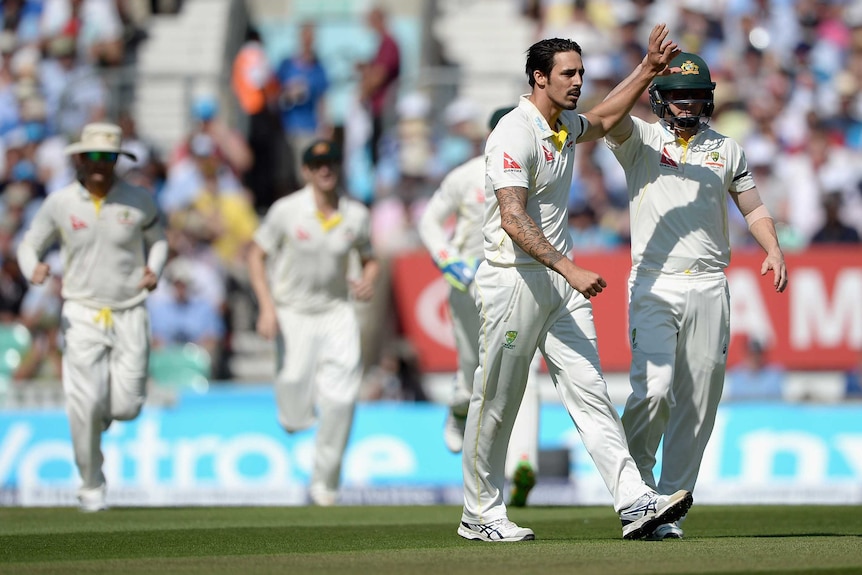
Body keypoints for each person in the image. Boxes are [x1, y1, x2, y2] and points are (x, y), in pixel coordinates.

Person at [458, 24, 693, 543]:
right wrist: (570, 268)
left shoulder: (562, 123)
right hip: (514, 281)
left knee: (591, 392)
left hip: (560, 285)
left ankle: (635, 503)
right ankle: (479, 513)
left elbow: (608, 117)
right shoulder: (513, 133)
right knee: (497, 399)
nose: (578, 82)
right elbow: (513, 220)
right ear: (538, 78)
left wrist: (648, 69)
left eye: (582, 73)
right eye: (568, 74)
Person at [603, 51, 789, 540]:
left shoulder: (727, 148)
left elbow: (753, 207)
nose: (687, 106)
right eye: (678, 96)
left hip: (710, 282)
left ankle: (670, 508)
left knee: (699, 401)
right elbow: (604, 117)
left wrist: (773, 248)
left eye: (696, 97)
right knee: (654, 390)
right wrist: (644, 68)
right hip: (654, 280)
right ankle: (636, 495)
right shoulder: (640, 138)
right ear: (659, 99)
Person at [16, 122, 168, 511]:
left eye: (109, 157)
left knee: (126, 407)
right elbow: (29, 244)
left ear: (118, 160)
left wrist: (155, 268)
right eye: (95, 156)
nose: (101, 164)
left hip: (130, 310)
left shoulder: (139, 200)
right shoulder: (60, 202)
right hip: (81, 311)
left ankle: (96, 423)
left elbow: (158, 241)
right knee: (84, 403)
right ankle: (91, 486)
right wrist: (32, 267)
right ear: (80, 158)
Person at [418, 106, 541, 509]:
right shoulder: (465, 175)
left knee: (523, 367)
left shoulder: (537, 170)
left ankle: (522, 462)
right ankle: (457, 407)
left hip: (516, 283)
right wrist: (445, 257)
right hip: (466, 284)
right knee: (474, 373)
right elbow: (429, 221)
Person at [247, 139, 379, 506]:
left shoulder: (356, 215)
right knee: (292, 398)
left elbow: (370, 258)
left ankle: (325, 486)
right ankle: (294, 417)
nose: (326, 168)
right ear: (305, 170)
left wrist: (368, 278)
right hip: (292, 311)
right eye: (318, 163)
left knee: (341, 399)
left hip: (337, 311)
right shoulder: (286, 211)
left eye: (332, 161)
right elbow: (256, 256)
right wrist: (266, 308)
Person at [357, 6, 400, 166]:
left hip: (384, 109)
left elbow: (380, 75)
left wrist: (363, 93)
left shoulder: (389, 43)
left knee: (381, 154)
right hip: (377, 109)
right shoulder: (381, 44)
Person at [723, 337, 786, 401]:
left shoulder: (774, 374)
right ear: (745, 355)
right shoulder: (735, 375)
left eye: (757, 355)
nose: (754, 359)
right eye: (751, 355)